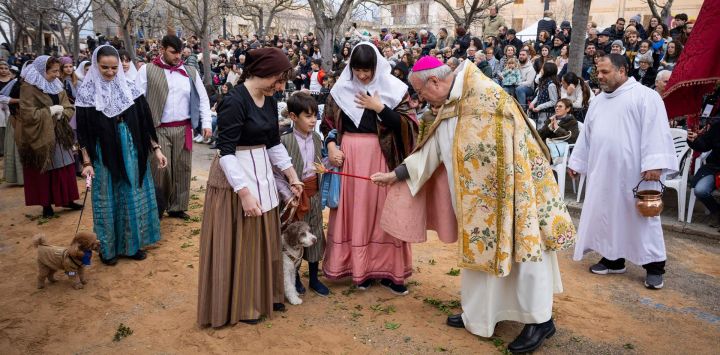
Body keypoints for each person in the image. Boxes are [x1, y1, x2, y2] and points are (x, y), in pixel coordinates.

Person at [370, 56, 575, 354]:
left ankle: (539, 320)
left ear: (435, 82)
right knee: (481, 254)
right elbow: (432, 152)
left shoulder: (489, 98)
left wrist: (507, 195)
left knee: (526, 257)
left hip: (516, 196)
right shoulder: (448, 106)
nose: (420, 99)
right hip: (478, 204)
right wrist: (396, 174)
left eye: (421, 92)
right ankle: (481, 315)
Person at [197, 47, 302, 328]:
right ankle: (242, 304)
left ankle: (264, 296)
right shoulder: (235, 101)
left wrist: (291, 174)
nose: (280, 87)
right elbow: (226, 151)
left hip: (262, 175)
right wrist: (243, 193)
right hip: (235, 181)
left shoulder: (268, 99)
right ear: (262, 72)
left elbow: (273, 142)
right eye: (278, 80)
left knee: (263, 239)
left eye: (282, 81)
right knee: (241, 242)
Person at [568, 54, 677, 290]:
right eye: (598, 72)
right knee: (608, 216)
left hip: (637, 175)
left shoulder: (645, 97)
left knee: (643, 219)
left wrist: (655, 163)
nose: (600, 76)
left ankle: (655, 266)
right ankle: (613, 259)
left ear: (623, 70)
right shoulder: (597, 101)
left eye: (605, 72)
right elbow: (587, 135)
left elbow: (656, 130)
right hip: (603, 173)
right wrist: (577, 162)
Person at [320, 42, 418, 294]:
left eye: (368, 70)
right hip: (350, 156)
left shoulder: (394, 90)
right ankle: (358, 270)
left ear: (377, 67)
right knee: (356, 211)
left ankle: (391, 272)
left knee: (383, 211)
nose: (362, 75)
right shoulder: (340, 90)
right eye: (358, 70)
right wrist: (331, 146)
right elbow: (327, 124)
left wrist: (380, 108)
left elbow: (409, 126)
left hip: (383, 157)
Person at [75, 45, 167, 265]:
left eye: (114, 67)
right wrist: (86, 162)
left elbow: (145, 123)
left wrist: (156, 149)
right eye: (104, 67)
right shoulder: (87, 93)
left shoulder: (129, 87)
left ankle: (132, 246)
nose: (110, 72)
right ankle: (108, 250)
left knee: (131, 195)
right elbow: (83, 132)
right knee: (107, 197)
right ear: (96, 66)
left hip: (131, 152)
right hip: (103, 154)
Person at [135, 35, 212, 220]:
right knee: (161, 169)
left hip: (184, 128)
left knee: (182, 168)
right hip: (157, 128)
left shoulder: (190, 71)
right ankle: (157, 207)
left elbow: (202, 98)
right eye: (173, 52)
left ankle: (177, 207)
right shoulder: (147, 70)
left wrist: (206, 123)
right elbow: (136, 100)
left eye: (180, 52)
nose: (178, 56)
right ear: (162, 50)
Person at [274, 92, 329, 296]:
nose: (313, 120)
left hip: (312, 193)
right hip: (293, 197)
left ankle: (314, 277)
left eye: (315, 115)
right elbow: (277, 173)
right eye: (308, 116)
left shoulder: (316, 138)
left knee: (315, 232)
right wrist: (288, 195)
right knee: (294, 235)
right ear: (293, 117)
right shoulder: (284, 141)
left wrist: (329, 163)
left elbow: (318, 164)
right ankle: (294, 276)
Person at [16, 55, 81, 217]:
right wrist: (50, 112)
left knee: (64, 166)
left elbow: (68, 106)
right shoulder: (28, 88)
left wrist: (62, 113)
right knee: (45, 169)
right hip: (40, 135)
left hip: (59, 133)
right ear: (41, 70)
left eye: (57, 71)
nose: (57, 75)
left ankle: (67, 199)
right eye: (53, 71)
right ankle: (46, 205)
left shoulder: (57, 85)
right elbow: (27, 114)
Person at [687, 119, 720, 230]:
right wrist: (695, 140)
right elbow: (704, 145)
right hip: (714, 168)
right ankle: (716, 211)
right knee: (700, 190)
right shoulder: (717, 127)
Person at [2, 61, 22, 183]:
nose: (4, 70)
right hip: (14, 116)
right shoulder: (15, 83)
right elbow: (2, 98)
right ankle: (19, 178)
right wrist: (19, 101)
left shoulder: (14, 81)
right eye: (1, 68)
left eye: (6, 68)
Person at [529, 62, 560, 128]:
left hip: (547, 113)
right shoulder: (543, 81)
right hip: (540, 111)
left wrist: (540, 107)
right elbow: (539, 95)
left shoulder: (551, 85)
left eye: (543, 68)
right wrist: (532, 103)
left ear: (547, 71)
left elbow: (553, 101)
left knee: (542, 129)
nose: (541, 70)